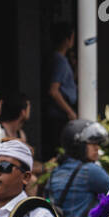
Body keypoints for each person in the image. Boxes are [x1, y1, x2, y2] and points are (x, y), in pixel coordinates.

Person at [45, 24, 78, 157]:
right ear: (67, 39)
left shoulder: (60, 60)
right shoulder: (60, 61)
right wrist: (70, 112)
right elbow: (54, 90)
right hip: (60, 114)